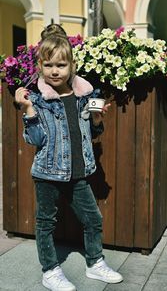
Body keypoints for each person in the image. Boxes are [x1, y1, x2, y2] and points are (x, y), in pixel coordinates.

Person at [15, 24, 123, 291]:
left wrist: (97, 118)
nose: (55, 71)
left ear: (71, 66)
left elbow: (93, 132)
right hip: (48, 173)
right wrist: (28, 110)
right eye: (49, 65)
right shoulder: (39, 101)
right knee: (46, 223)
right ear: (40, 66)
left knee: (93, 219)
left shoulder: (83, 97)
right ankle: (50, 270)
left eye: (61, 65)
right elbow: (35, 140)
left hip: (79, 173)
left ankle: (95, 263)